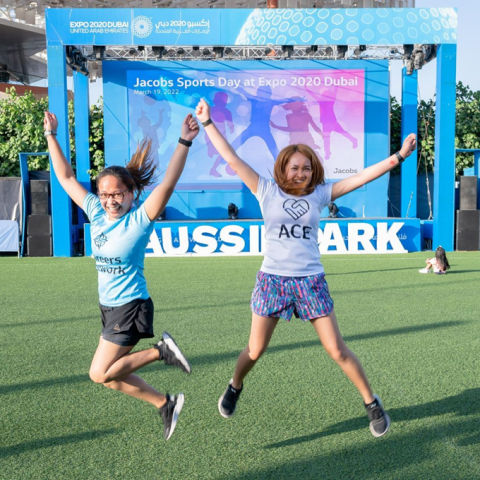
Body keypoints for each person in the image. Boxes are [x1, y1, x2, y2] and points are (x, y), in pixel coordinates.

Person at [195, 98, 416, 438]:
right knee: (255, 349)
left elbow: (361, 177)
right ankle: (235, 385)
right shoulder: (265, 190)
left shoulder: (320, 194)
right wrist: (208, 123)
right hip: (273, 282)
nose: (301, 173)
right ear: (282, 169)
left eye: (307, 168)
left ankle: (372, 403)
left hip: (310, 282)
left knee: (337, 350)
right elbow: (231, 158)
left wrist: (398, 157)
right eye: (295, 167)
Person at [44, 110, 199, 440]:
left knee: (98, 373)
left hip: (131, 306)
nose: (110, 201)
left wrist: (184, 141)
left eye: (117, 194)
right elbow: (67, 178)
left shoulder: (140, 219)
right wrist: (51, 136)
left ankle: (162, 351)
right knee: (114, 377)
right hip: (109, 308)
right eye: (104, 194)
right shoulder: (96, 213)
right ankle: (165, 403)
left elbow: (169, 182)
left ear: (131, 193)